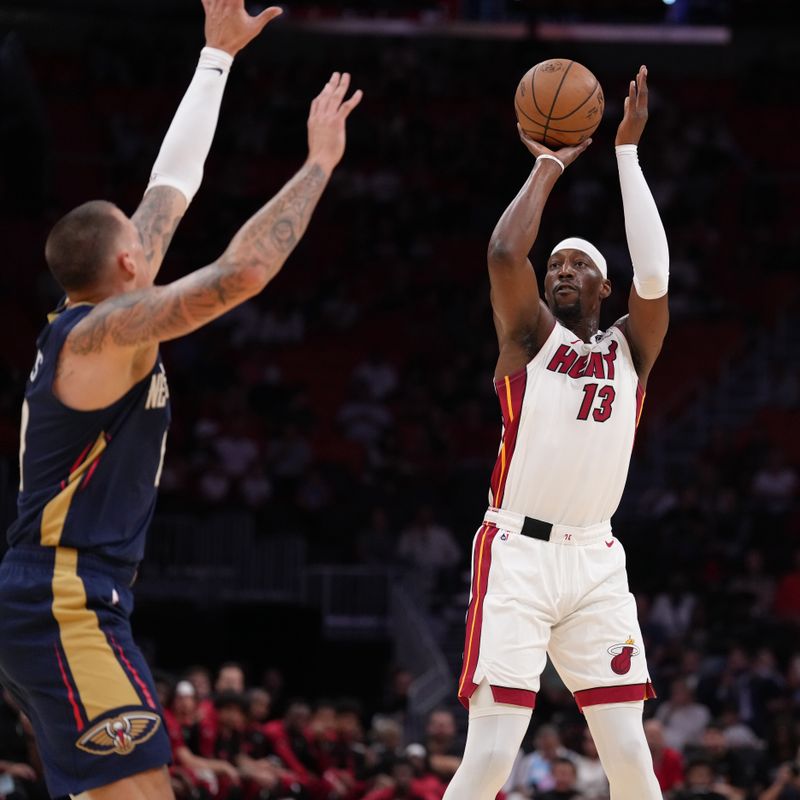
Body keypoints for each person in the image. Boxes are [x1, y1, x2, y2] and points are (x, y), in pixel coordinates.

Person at [0, 2, 363, 794]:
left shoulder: (101, 313)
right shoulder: (101, 336)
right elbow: (240, 276)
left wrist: (216, 58)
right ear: (129, 264)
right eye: (140, 238)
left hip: (75, 597)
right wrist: (318, 166)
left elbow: (171, 185)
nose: (150, 234)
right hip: (64, 602)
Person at [443, 65, 669, 800]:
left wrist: (627, 155)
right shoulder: (529, 340)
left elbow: (657, 278)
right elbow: (506, 255)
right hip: (516, 553)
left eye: (580, 265)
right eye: (558, 265)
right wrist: (549, 163)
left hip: (598, 558)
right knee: (489, 758)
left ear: (606, 288)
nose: (562, 270)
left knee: (631, 754)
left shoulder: (630, 349)